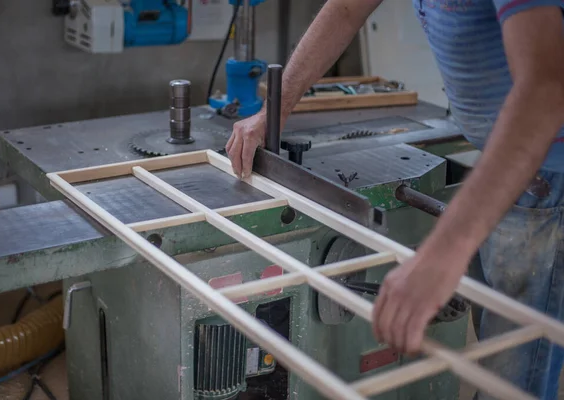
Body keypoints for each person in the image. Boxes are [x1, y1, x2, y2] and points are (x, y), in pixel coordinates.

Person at [225, 1, 564, 398]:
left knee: (512, 372)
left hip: (549, 173)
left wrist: (442, 253)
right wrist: (275, 110)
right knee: (496, 350)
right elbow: (347, 9)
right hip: (508, 160)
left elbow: (545, 87)